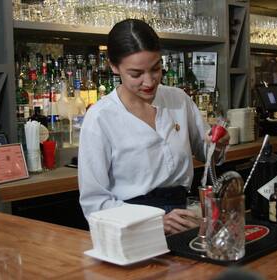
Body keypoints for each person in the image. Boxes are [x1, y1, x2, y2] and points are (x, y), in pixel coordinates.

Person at [78, 19, 228, 235]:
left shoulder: (178, 99)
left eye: (156, 69)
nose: (149, 82)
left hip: (184, 219)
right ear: (113, 66)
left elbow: (207, 155)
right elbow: (95, 204)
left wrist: (218, 144)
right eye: (136, 74)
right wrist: (153, 221)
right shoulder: (101, 118)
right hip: (132, 230)